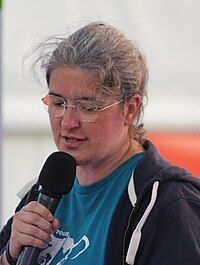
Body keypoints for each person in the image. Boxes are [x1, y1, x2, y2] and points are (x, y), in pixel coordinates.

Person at [0, 22, 200, 265]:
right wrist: (10, 255)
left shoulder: (169, 202)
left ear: (130, 109)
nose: (68, 123)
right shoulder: (42, 192)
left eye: (88, 107)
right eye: (58, 103)